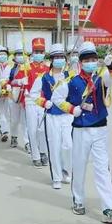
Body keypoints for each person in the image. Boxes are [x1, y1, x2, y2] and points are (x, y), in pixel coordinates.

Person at [52, 41, 112, 224]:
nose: (91, 62)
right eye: (87, 59)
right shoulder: (70, 81)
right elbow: (56, 98)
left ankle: (109, 208)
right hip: (81, 129)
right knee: (80, 166)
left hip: (100, 128)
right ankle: (78, 200)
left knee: (102, 169)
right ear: (81, 62)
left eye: (94, 59)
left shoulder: (101, 76)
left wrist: (111, 64)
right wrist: (71, 109)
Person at [36, 43, 73, 189]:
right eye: (56, 57)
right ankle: (57, 177)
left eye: (61, 57)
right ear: (51, 59)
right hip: (52, 116)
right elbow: (34, 95)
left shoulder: (69, 76)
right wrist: (44, 102)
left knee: (68, 145)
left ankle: (66, 169)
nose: (59, 60)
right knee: (54, 145)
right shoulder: (44, 78)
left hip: (67, 115)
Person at [23, 38, 49, 168]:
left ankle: (44, 151)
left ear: (44, 53)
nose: (39, 53)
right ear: (32, 53)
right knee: (33, 129)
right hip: (31, 102)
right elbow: (13, 82)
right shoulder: (26, 67)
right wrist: (21, 81)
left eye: (41, 51)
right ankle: (36, 155)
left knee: (43, 129)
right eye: (36, 51)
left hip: (43, 102)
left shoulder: (48, 69)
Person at [8, 44, 30, 149]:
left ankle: (27, 142)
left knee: (25, 121)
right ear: (15, 56)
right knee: (14, 120)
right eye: (18, 54)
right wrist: (18, 81)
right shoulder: (12, 69)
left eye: (22, 54)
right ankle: (14, 136)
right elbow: (10, 81)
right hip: (15, 96)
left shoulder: (29, 67)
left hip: (26, 97)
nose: (20, 56)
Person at [0, 45, 11, 142]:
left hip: (7, 91)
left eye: (4, 54)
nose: (3, 56)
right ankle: (5, 131)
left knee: (5, 112)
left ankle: (0, 129)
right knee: (0, 111)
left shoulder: (10, 66)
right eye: (1, 54)